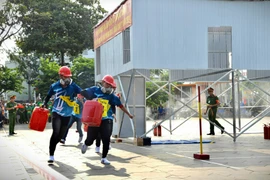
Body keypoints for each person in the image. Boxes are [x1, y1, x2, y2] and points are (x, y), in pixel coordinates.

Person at [80, 75, 133, 165]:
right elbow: (83, 93)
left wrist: (129, 114)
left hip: (107, 119)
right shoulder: (95, 90)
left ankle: (104, 158)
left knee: (106, 138)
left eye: (110, 85)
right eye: (107, 84)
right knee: (90, 139)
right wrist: (90, 100)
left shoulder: (112, 97)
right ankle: (86, 144)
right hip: (95, 119)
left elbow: (121, 106)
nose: (108, 87)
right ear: (103, 83)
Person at [42, 66, 81, 163]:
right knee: (55, 132)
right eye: (64, 77)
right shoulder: (54, 86)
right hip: (56, 112)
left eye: (68, 77)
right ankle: (51, 155)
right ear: (60, 76)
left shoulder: (73, 86)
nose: (66, 79)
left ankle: (54, 143)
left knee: (60, 136)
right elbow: (48, 96)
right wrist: (44, 103)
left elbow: (83, 92)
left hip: (67, 114)